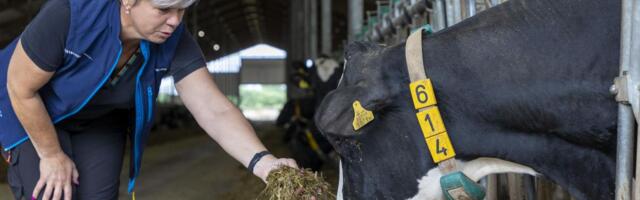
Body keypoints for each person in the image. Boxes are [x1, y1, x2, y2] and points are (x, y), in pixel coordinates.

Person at [0, 0, 298, 199]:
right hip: (30, 107)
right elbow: (21, 87)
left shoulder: (174, 37)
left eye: (183, 9)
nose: (174, 21)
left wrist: (265, 164)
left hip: (99, 119)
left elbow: (213, 108)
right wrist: (52, 156)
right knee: (54, 192)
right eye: (164, 9)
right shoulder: (70, 14)